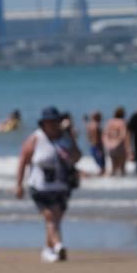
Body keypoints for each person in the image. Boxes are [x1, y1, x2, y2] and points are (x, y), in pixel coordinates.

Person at [16, 106, 81, 264]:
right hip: (40, 187)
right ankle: (59, 246)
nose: (52, 125)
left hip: (61, 186)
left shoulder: (65, 138)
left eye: (55, 121)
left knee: (55, 220)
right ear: (43, 123)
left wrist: (71, 136)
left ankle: (48, 250)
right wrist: (18, 184)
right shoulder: (35, 139)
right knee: (50, 217)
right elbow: (23, 160)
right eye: (49, 122)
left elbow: (77, 157)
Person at [103, 107, 129, 176]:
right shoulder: (122, 122)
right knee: (122, 168)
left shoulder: (110, 122)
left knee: (113, 167)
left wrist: (108, 144)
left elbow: (105, 134)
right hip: (120, 146)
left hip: (110, 146)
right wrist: (128, 148)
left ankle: (111, 182)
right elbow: (124, 135)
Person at [84, 111, 105, 175]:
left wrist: (90, 141)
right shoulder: (96, 125)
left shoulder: (90, 125)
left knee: (97, 158)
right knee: (100, 159)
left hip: (93, 144)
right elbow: (97, 136)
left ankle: (101, 171)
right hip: (97, 144)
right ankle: (102, 171)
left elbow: (88, 135)